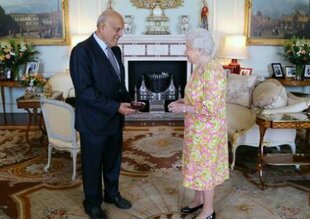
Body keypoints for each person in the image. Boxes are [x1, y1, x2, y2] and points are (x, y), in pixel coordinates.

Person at [70, 9, 138, 219]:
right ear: (102, 27)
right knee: (92, 165)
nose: (120, 34)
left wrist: (128, 101)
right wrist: (115, 107)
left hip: (114, 119)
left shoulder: (115, 50)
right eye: (117, 29)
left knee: (112, 160)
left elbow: (118, 85)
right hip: (93, 122)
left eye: (122, 29)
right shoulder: (82, 51)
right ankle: (92, 203)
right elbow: (85, 91)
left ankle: (111, 194)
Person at [168, 28, 229, 219]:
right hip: (197, 128)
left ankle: (208, 210)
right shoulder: (199, 68)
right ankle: (198, 200)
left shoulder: (213, 71)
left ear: (200, 49)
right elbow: (196, 98)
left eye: (187, 47)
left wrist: (184, 109)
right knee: (196, 164)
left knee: (205, 168)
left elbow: (210, 107)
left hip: (208, 131)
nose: (185, 51)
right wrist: (182, 102)